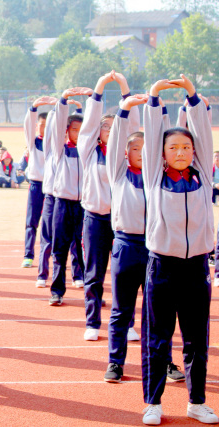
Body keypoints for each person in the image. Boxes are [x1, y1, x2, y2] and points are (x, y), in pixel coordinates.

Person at [140, 75, 218, 426]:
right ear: (162, 154)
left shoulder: (202, 174)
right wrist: (154, 97)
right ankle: (153, 402)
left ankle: (196, 401)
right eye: (174, 148)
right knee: (158, 339)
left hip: (196, 267)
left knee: (196, 339)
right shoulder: (155, 175)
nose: (182, 151)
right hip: (163, 267)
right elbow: (153, 134)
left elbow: (202, 129)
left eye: (186, 147)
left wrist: (192, 96)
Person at [103, 93, 185, 385]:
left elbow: (163, 135)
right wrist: (124, 110)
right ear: (126, 153)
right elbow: (114, 144)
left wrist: (160, 109)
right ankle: (115, 362)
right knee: (121, 309)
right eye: (134, 148)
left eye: (145, 148)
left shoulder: (158, 176)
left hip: (156, 247)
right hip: (126, 246)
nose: (140, 152)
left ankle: (164, 361)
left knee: (159, 312)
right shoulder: (118, 173)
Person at [77, 71, 129, 341]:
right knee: (94, 273)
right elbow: (88, 124)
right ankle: (93, 321)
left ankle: (126, 322)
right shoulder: (89, 152)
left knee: (124, 275)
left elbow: (130, 121)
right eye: (105, 127)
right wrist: (98, 88)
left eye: (113, 127)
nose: (109, 130)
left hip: (122, 223)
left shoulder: (126, 156)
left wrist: (124, 88)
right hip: (96, 219)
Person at [48, 87, 90, 306]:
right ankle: (57, 291)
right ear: (67, 131)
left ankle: (90, 291)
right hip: (62, 204)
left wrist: (94, 99)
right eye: (75, 129)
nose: (79, 133)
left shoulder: (90, 151)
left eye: (83, 129)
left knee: (86, 250)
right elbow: (56, 125)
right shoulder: (60, 149)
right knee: (60, 248)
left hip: (85, 205)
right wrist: (63, 100)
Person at [21, 99, 53, 269]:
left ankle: (51, 254)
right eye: (41, 125)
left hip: (51, 189)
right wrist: (34, 107)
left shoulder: (55, 145)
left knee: (51, 225)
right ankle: (28, 255)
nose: (44, 128)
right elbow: (28, 124)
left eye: (47, 125)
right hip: (35, 185)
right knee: (32, 222)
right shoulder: (33, 143)